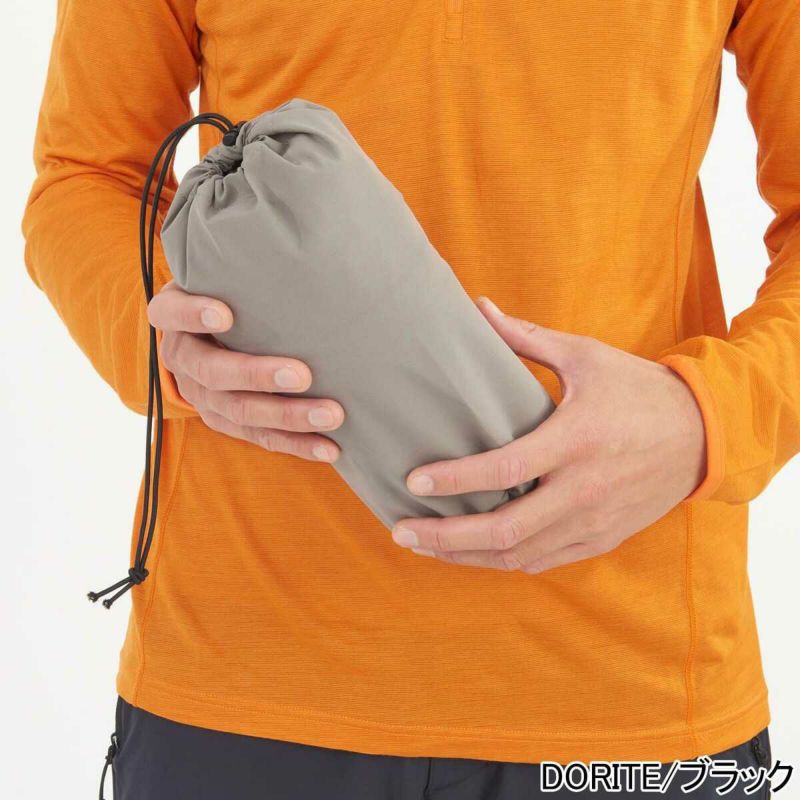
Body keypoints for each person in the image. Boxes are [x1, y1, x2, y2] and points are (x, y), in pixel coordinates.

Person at [22, 1, 798, 798]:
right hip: (246, 671)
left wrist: (704, 418)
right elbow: (87, 174)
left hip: (633, 686)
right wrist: (166, 337)